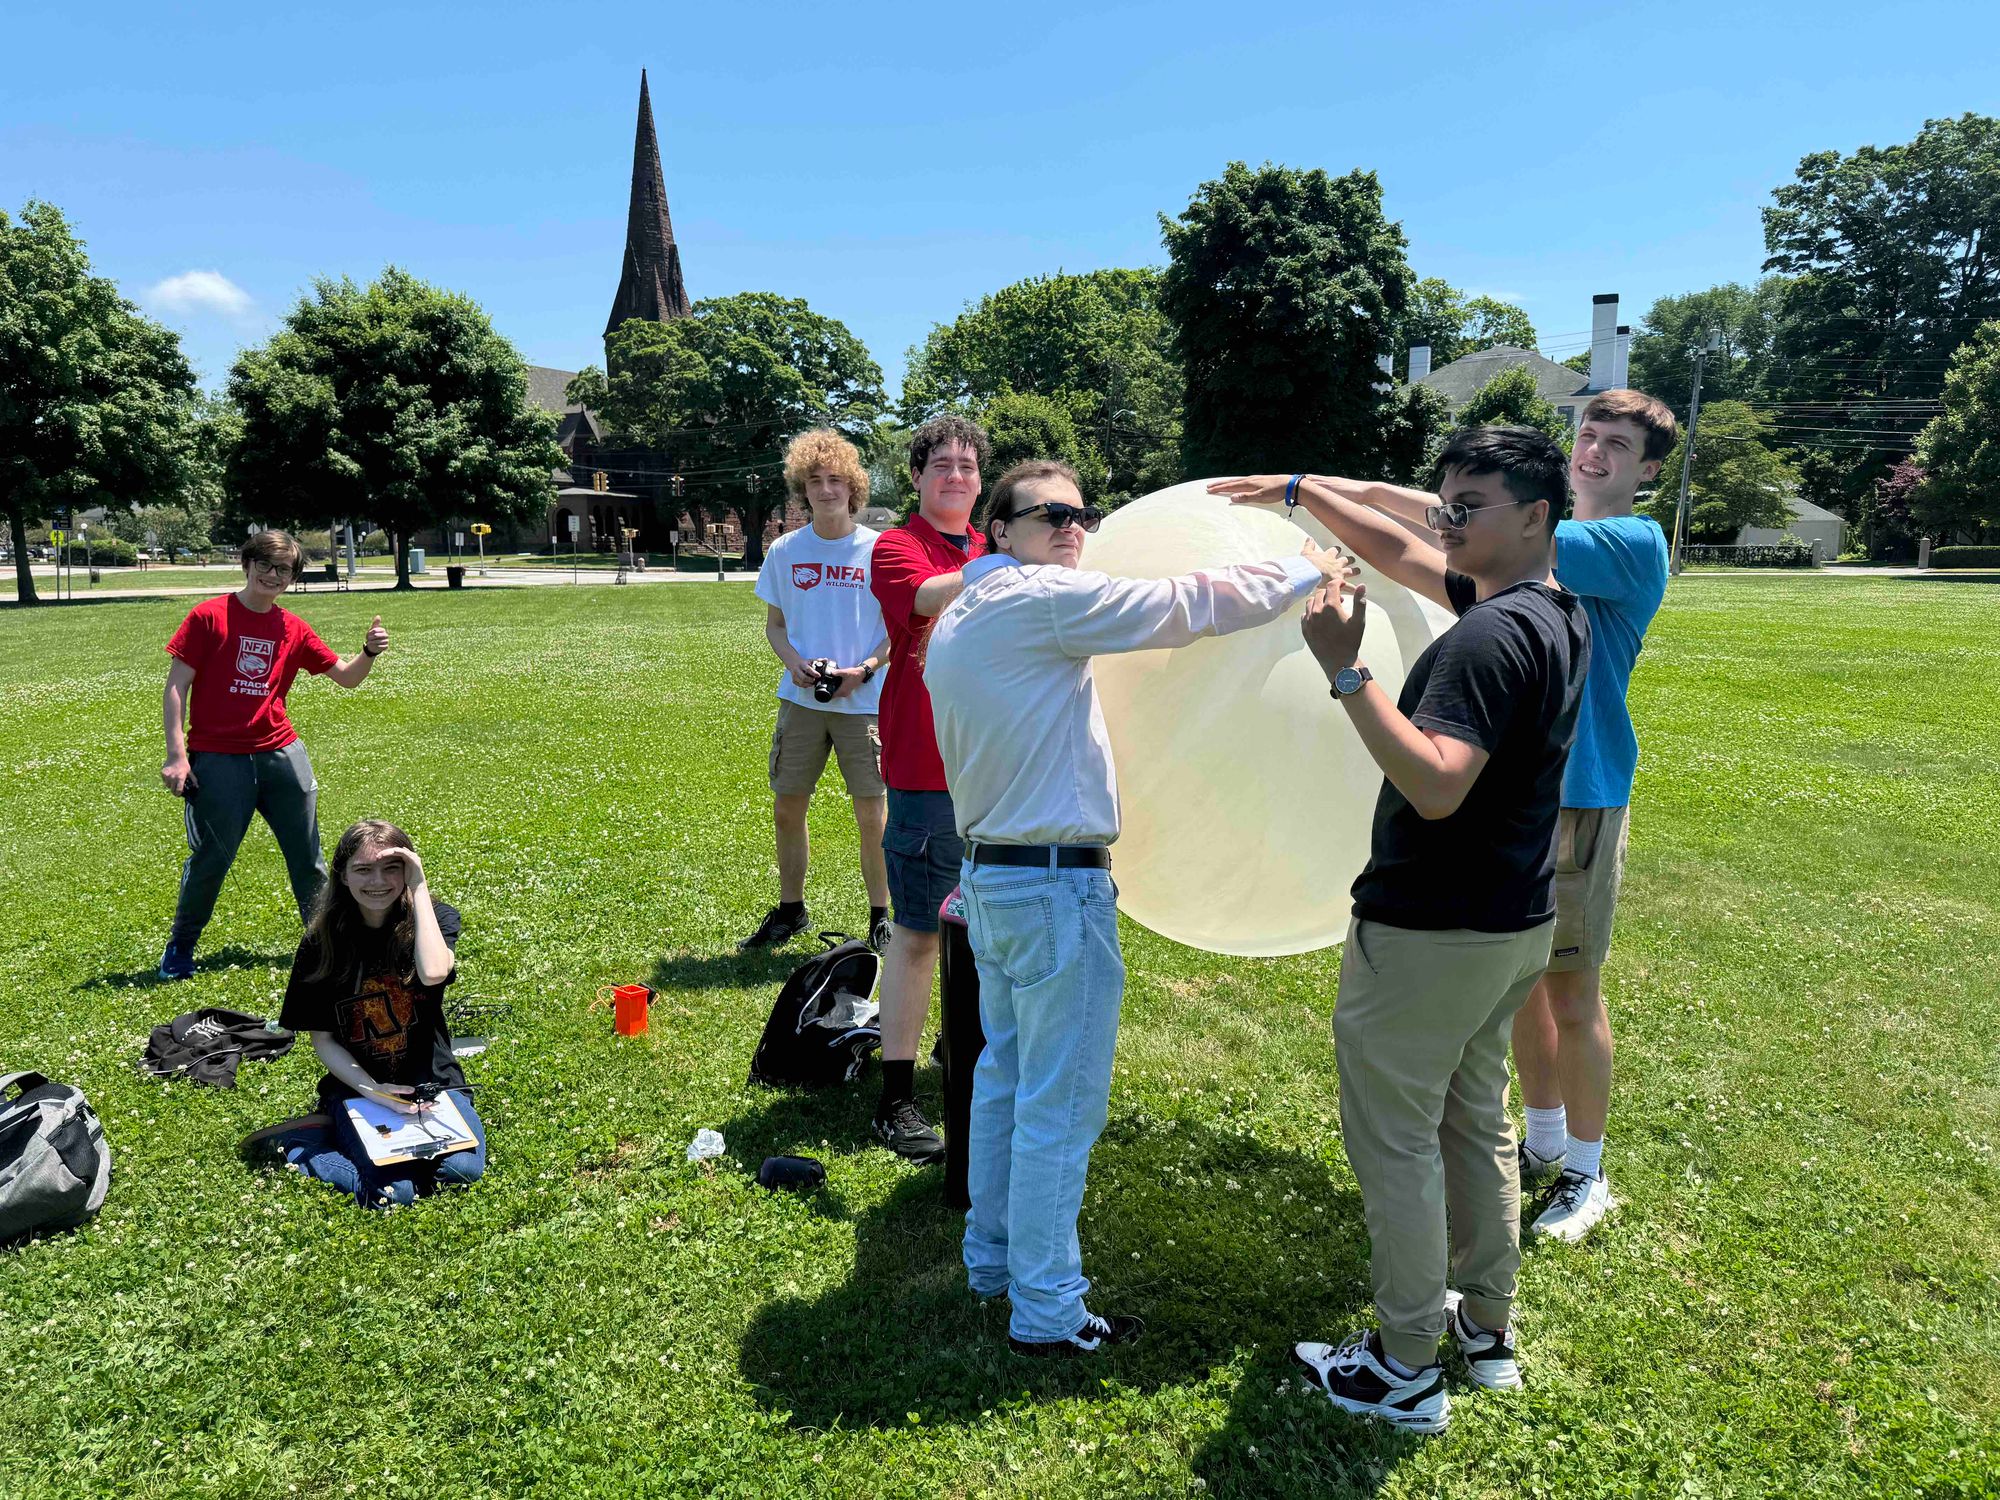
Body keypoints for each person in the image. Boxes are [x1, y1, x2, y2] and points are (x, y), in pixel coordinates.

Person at [1216, 389, 1675, 1241]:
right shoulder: (1512, 559)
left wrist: (1312, 487)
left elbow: (1433, 520)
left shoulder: (1627, 544)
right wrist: (1308, 491)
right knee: (1521, 989)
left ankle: (1586, 1170)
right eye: (1587, 435)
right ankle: (1538, 1143)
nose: (1595, 452)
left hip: (1580, 793)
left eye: (1617, 444)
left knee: (1572, 992)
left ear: (1649, 470)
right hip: (1512, 801)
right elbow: (1407, 546)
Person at [926, 459, 1352, 1356]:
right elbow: (1188, 603)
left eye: (1083, 512)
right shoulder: (1036, 601)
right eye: (1048, 514)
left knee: (1004, 1082)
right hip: (1049, 885)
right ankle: (1045, 1308)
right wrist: (1306, 567)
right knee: (1060, 1103)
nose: (1073, 526)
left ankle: (993, 1260)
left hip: (996, 880)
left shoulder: (971, 607)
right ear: (997, 529)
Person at [1213, 426, 1590, 1431]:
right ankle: (1485, 1323)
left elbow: (1433, 783)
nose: (1444, 522)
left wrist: (1345, 669)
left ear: (1536, 516)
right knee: (1473, 1121)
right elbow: (1400, 556)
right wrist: (1299, 493)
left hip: (1430, 931)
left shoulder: (1485, 639)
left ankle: (1401, 1365)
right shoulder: (1547, 610)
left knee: (1395, 1148)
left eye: (1467, 507)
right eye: (1443, 504)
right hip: (1509, 923)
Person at [157, 530, 389, 980]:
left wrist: (368, 652)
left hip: (281, 754)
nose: (273, 575)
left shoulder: (292, 628)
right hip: (219, 759)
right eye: (265, 564)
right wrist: (177, 755)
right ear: (247, 565)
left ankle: (328, 947)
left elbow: (347, 677)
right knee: (211, 859)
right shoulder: (208, 617)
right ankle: (181, 946)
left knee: (310, 860)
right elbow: (175, 686)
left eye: (284, 569)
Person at [863, 415, 989, 1164]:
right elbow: (925, 600)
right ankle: (895, 1101)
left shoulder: (991, 547)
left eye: (969, 466)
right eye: (940, 463)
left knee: (990, 932)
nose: (955, 475)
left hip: (996, 772)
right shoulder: (897, 546)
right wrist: (1014, 561)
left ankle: (959, 1051)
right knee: (915, 937)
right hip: (925, 772)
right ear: (915, 477)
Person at [250, 820, 487, 1209]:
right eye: (363, 869)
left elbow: (433, 972)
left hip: (434, 1082)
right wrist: (374, 1091)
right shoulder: (321, 942)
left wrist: (419, 886)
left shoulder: (435, 920)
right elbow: (323, 1040)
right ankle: (300, 1145)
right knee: (395, 1194)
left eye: (390, 868)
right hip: (359, 1089)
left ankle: (372, 1147)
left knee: (461, 1171)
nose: (377, 881)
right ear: (342, 875)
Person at [742, 428, 893, 952]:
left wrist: (864, 670)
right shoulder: (785, 550)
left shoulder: (878, 550)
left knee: (872, 813)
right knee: (788, 806)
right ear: (801, 489)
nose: (826, 490)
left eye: (835, 480)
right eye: (815, 481)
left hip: (864, 703)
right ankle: (791, 910)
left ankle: (880, 916)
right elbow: (775, 626)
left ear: (853, 488)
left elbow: (898, 632)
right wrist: (796, 664)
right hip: (801, 701)